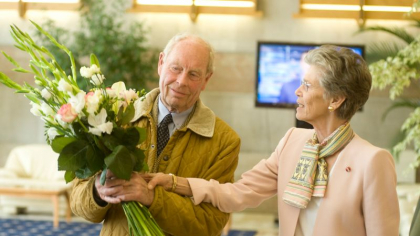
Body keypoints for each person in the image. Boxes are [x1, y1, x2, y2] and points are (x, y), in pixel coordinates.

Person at [145, 45, 400, 236]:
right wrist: (175, 183)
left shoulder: (373, 161)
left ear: (336, 100)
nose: (297, 91)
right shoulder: (292, 141)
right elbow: (238, 193)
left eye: (308, 86)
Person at [70, 33, 241, 236]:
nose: (181, 81)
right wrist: (98, 193)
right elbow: (77, 201)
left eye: (193, 74)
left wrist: (153, 198)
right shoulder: (112, 116)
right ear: (161, 63)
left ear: (206, 79)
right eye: (175, 68)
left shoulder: (224, 141)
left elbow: (210, 223)